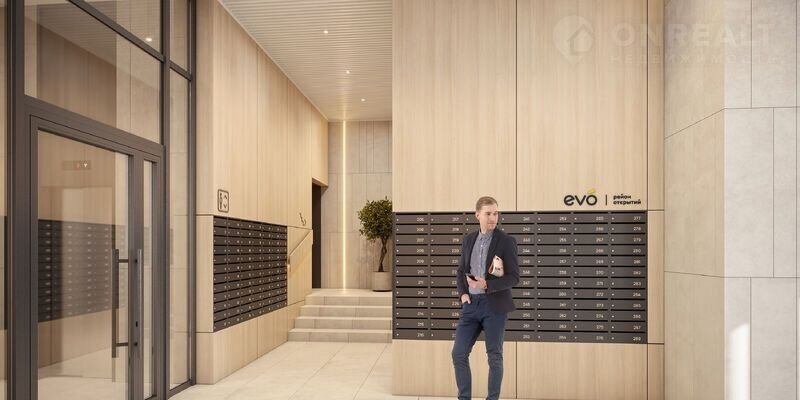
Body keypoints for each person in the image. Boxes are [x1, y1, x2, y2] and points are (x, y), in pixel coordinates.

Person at [452, 196, 520, 400]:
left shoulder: (506, 241)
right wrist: (463, 294)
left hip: (494, 307)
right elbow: (461, 271)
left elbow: (514, 277)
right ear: (477, 215)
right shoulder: (469, 240)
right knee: (458, 354)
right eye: (488, 213)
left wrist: (487, 285)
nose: (493, 217)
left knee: (494, 357)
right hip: (471, 305)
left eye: (496, 213)